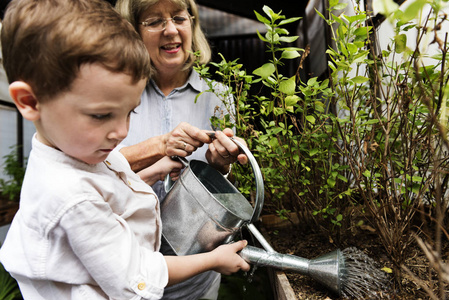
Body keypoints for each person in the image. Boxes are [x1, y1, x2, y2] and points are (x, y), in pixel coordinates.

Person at [0, 1, 250, 299]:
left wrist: (153, 171)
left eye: (130, 112)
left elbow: (108, 180)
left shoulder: (76, 151)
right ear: (29, 102)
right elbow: (136, 276)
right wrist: (213, 260)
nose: (121, 132)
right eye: (101, 115)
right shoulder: (73, 197)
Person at [114, 0, 249, 299]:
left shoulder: (218, 96)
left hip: (195, 272)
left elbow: (218, 184)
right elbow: (92, 167)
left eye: (178, 18)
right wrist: (158, 146)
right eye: (154, 21)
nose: (171, 30)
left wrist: (221, 162)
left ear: (192, 25)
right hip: (124, 265)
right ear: (134, 32)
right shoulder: (116, 91)